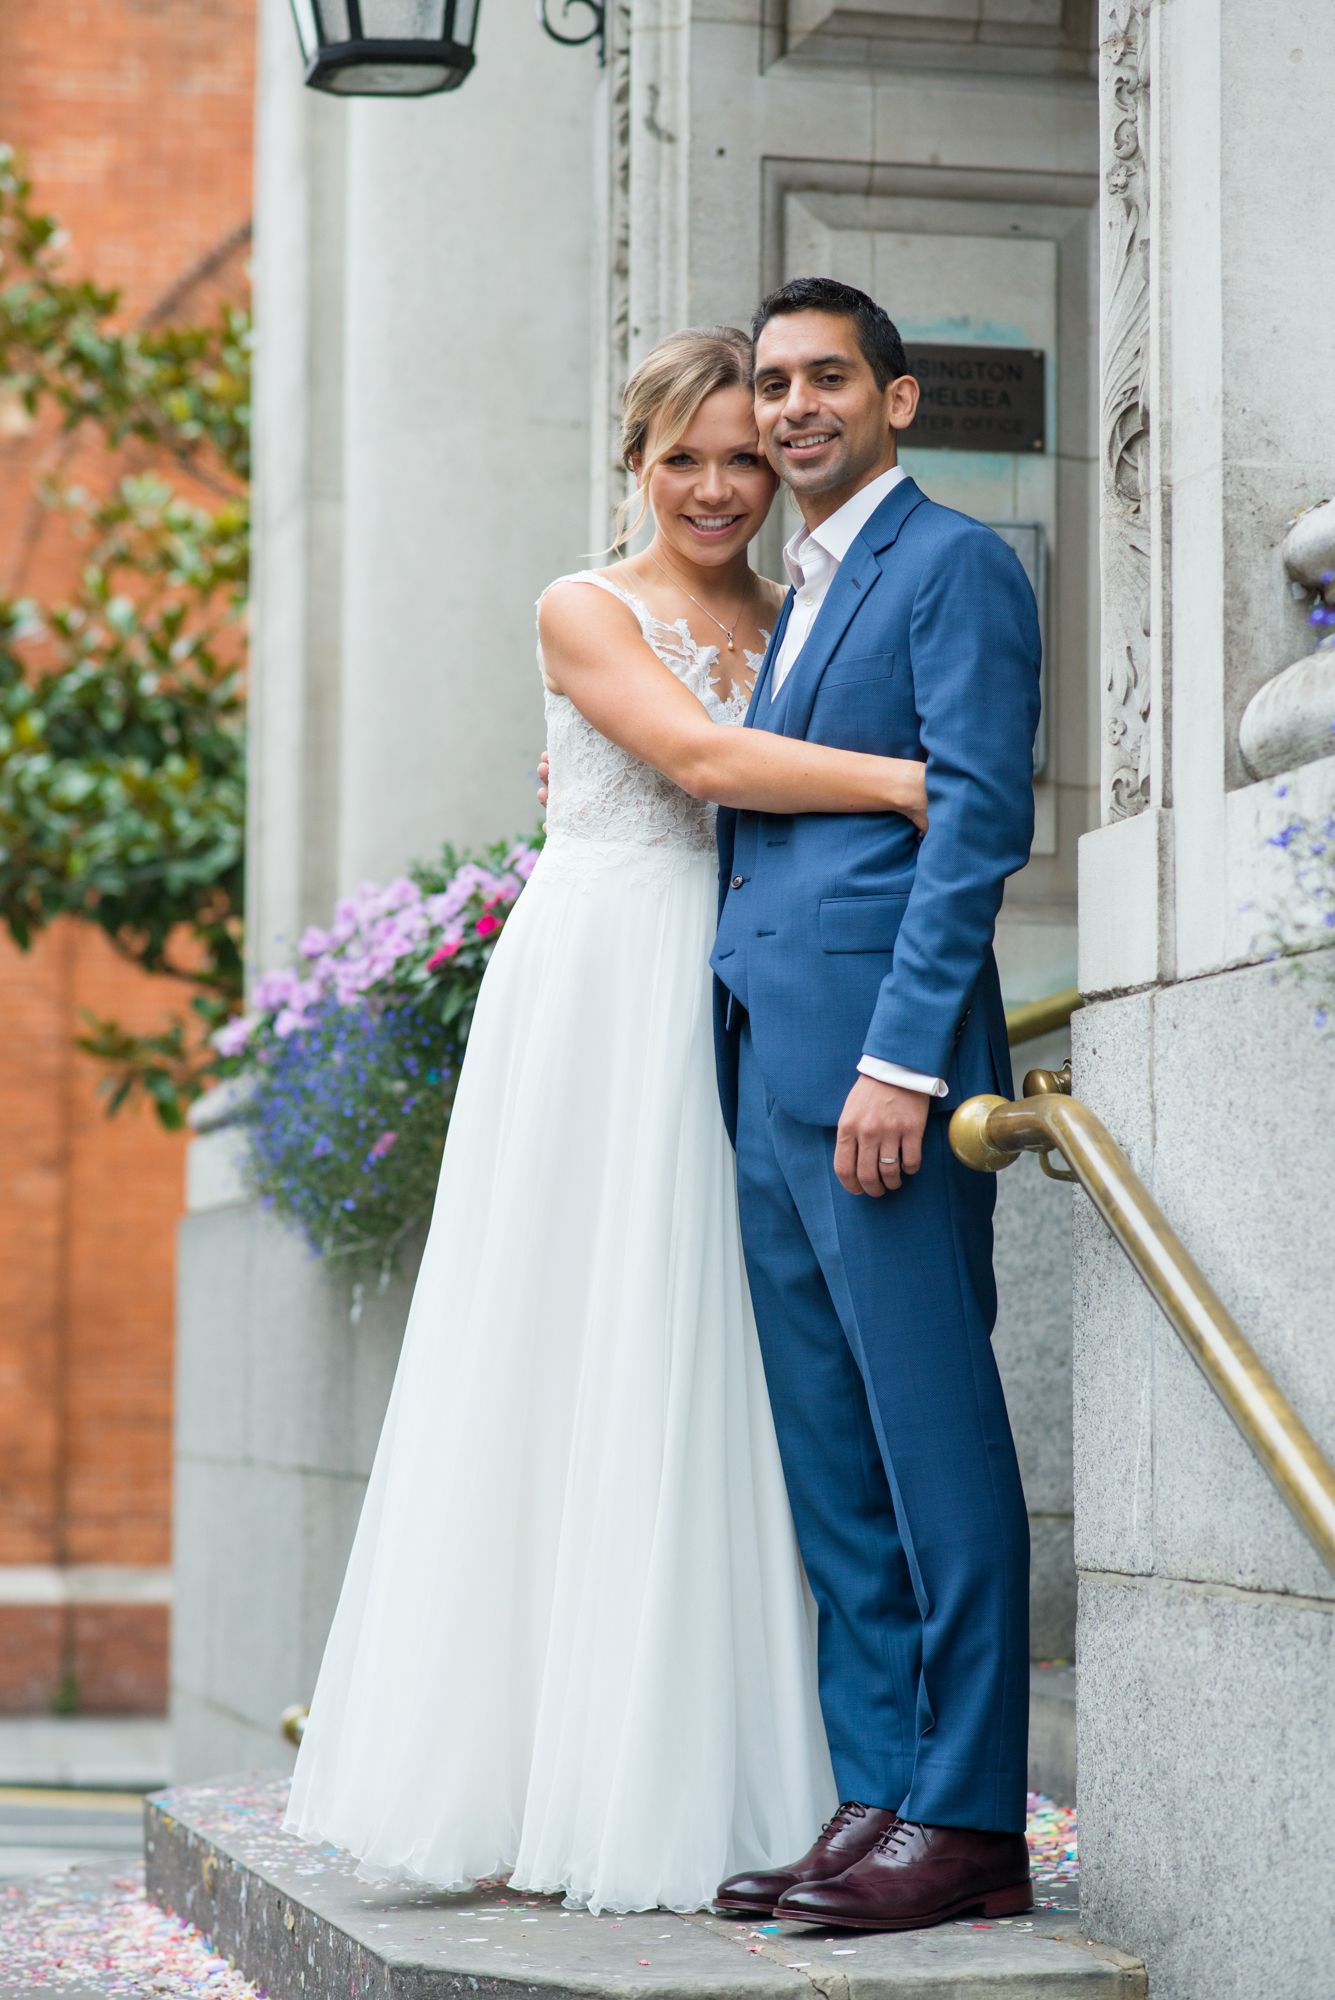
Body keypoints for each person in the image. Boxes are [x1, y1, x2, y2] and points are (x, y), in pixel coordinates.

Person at [283, 324, 929, 1915]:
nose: (716, 486)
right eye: (682, 457)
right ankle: (527, 1771)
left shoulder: (796, 616)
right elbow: (701, 758)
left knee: (711, 1345)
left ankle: (708, 1771)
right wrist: (921, 785)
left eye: (738, 454)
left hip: (734, 983)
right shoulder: (586, 605)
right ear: (633, 464)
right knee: (570, 1337)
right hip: (598, 985)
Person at [710, 278, 1042, 1933]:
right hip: (762, 1053)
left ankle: (972, 1813)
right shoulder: (795, 597)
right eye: (773, 384)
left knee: (929, 1430)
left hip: (877, 1074)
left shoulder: (957, 562)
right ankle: (880, 1790)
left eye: (826, 378)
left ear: (897, 400)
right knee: (833, 1448)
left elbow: (976, 817)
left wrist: (903, 1061)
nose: (792, 409)